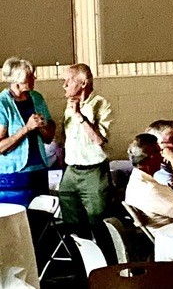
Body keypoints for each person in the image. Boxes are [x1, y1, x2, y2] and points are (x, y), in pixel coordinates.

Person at [58, 63, 113, 244]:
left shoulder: (102, 104)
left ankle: (106, 260)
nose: (64, 85)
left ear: (83, 83)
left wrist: (80, 116)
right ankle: (79, 261)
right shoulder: (69, 105)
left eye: (69, 81)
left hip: (94, 172)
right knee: (71, 225)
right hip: (71, 171)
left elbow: (99, 140)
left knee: (99, 223)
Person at [0, 57, 55, 206]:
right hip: (13, 176)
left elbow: (49, 137)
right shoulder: (2, 103)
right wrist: (26, 128)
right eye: (30, 76)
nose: (34, 78)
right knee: (17, 218)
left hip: (39, 170)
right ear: (17, 80)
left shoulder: (37, 98)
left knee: (41, 216)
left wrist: (41, 126)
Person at [125, 133, 173, 232]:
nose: (162, 156)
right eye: (159, 151)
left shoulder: (136, 180)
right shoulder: (151, 189)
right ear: (152, 157)